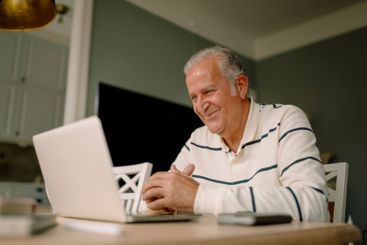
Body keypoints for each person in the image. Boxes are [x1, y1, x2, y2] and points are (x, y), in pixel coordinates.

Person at [141, 46, 329, 221]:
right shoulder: (198, 139)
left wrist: (200, 197)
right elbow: (147, 206)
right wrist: (161, 205)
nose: (200, 106)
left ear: (240, 86)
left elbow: (314, 205)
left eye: (208, 91)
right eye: (194, 97)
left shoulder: (285, 119)